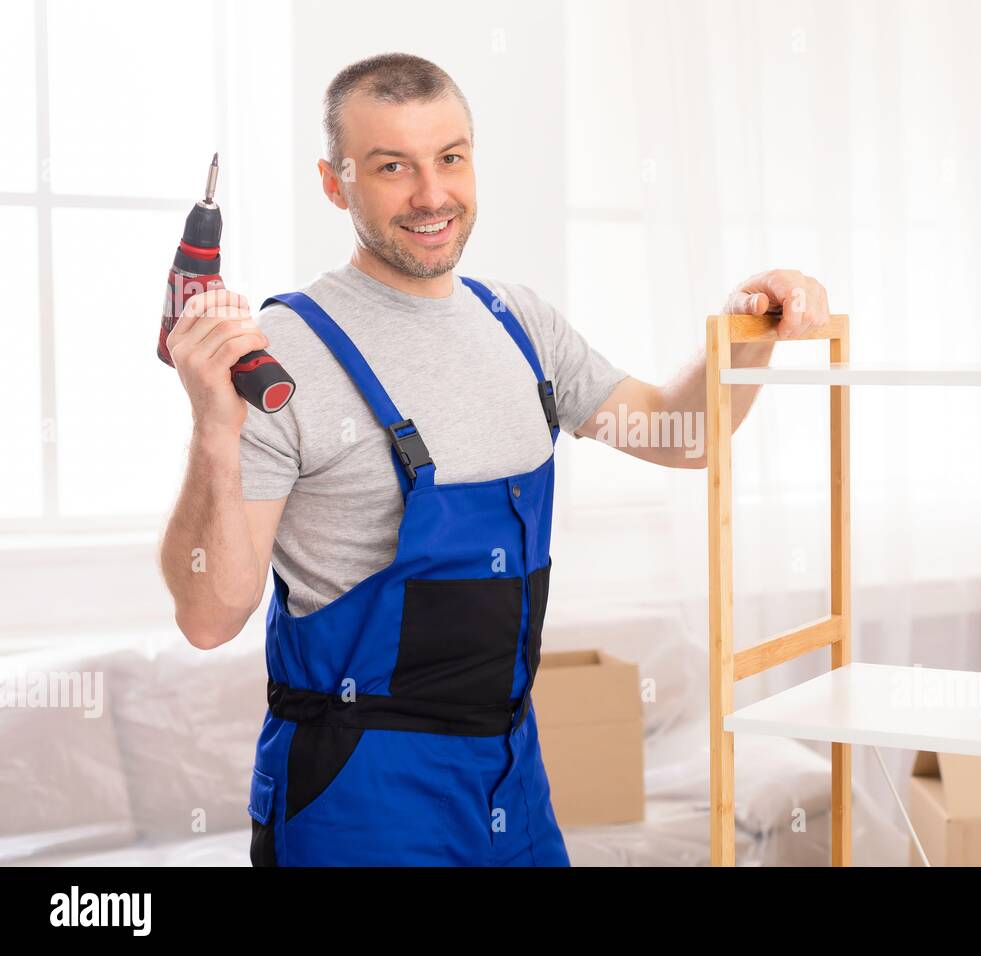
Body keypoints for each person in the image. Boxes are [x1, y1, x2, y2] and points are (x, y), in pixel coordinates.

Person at [158, 52, 828, 866]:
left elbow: (679, 435)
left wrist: (743, 330)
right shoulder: (283, 355)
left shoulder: (518, 324)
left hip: (511, 771)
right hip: (360, 793)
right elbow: (207, 616)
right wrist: (212, 428)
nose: (432, 195)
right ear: (336, 185)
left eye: (450, 157)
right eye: (392, 167)